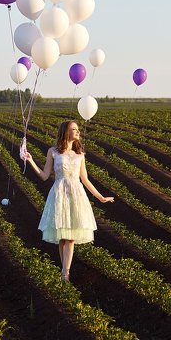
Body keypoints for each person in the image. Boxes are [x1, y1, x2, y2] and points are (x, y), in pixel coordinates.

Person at [23, 120, 114, 282]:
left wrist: (101, 197)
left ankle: (65, 273)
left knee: (70, 237)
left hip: (76, 195)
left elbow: (85, 180)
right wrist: (30, 160)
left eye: (78, 129)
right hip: (59, 194)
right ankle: (64, 270)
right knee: (63, 237)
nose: (78, 132)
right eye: (74, 129)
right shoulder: (53, 152)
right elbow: (44, 175)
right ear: (66, 132)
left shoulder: (80, 155)